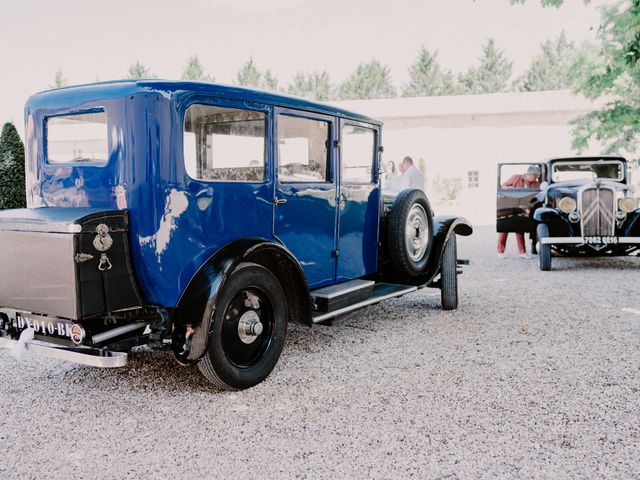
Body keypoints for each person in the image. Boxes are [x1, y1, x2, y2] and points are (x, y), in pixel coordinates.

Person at [497, 165, 541, 259]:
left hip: (523, 207)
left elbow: (538, 193)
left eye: (536, 176)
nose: (535, 178)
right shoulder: (516, 177)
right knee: (505, 228)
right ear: (529, 174)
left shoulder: (535, 184)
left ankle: (522, 252)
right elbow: (504, 185)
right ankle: (500, 251)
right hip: (511, 204)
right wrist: (507, 189)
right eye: (535, 176)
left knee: (520, 228)